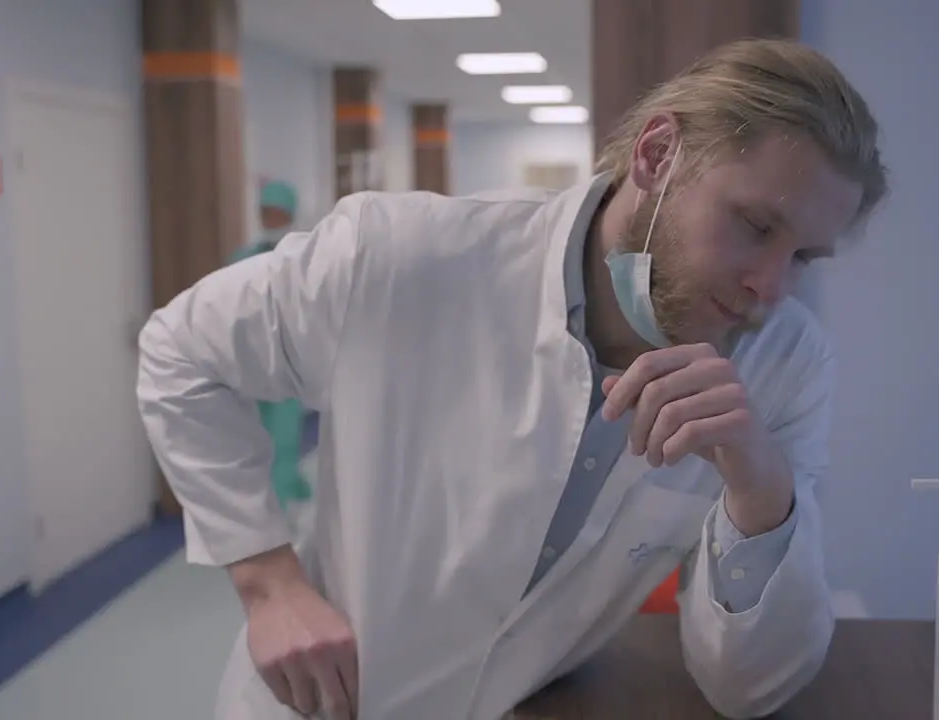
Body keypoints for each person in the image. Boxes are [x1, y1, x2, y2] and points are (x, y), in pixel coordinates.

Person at [137, 38, 888, 720]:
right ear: (658, 155)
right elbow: (179, 352)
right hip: (318, 702)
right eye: (756, 227)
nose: (770, 287)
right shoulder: (403, 254)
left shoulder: (785, 365)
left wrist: (760, 489)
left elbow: (751, 687)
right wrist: (269, 584)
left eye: (804, 259)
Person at [226, 180, 315, 514]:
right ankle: (269, 498)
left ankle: (276, 511)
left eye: (278, 213)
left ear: (290, 215)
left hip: (289, 362)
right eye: (266, 213)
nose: (271, 219)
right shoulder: (242, 258)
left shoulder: (303, 258)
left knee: (282, 437)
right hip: (251, 360)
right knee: (252, 439)